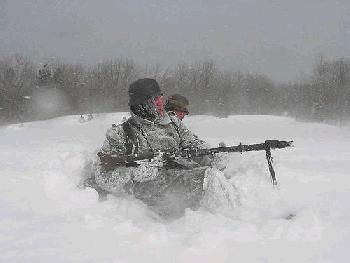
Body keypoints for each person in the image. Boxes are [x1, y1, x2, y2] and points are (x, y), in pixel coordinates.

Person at [92, 78, 210, 217]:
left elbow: (195, 146)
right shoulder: (120, 134)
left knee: (211, 178)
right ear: (142, 104)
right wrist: (133, 173)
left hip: (186, 186)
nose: (161, 103)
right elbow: (103, 179)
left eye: (160, 97)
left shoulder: (173, 123)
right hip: (152, 205)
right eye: (155, 100)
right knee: (210, 182)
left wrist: (211, 156)